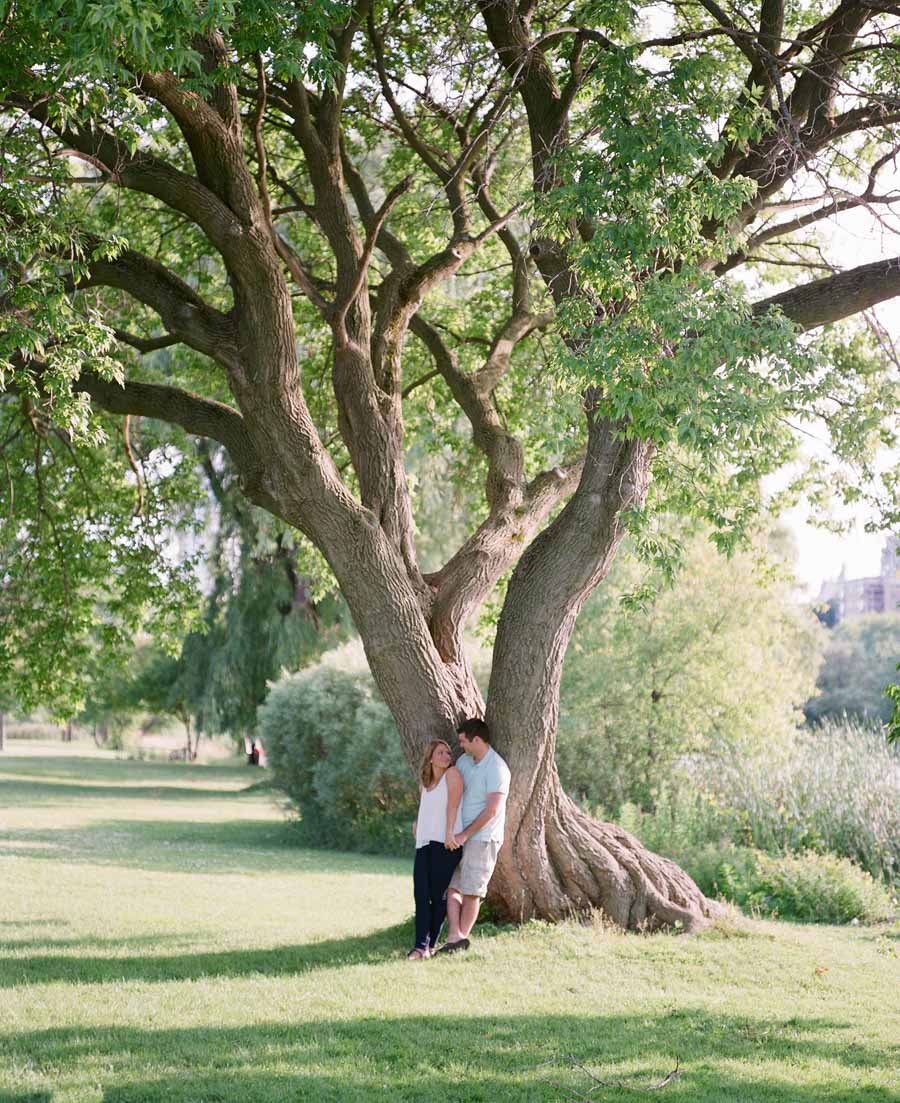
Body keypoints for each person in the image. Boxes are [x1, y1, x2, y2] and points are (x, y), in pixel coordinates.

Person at [441, 717, 510, 955]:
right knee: (452, 886)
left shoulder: (497, 768)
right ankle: (454, 937)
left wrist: (464, 835)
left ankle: (460, 939)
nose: (460, 746)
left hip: (482, 838)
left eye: (463, 741)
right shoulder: (464, 761)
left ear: (477, 740)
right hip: (458, 835)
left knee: (472, 891)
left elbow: (492, 810)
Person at [408, 739, 463, 960]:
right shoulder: (425, 785)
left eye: (448, 752)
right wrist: (417, 825)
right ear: (430, 757)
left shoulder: (453, 775)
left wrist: (450, 832)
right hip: (423, 844)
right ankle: (420, 945)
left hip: (445, 844)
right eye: (440, 753)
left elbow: (453, 805)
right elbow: (428, 810)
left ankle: (427, 945)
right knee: (420, 895)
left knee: (436, 896)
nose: (446, 756)